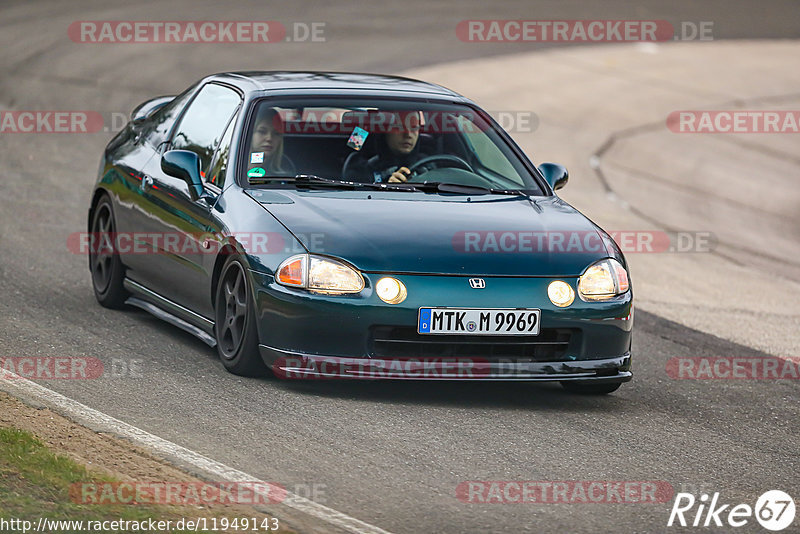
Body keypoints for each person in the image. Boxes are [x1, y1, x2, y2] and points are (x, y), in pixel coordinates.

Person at [348, 111, 428, 183]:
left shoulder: (431, 165)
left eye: (414, 128)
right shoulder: (363, 172)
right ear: (384, 132)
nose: (408, 134)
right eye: (399, 127)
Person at [248, 107, 295, 176]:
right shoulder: (234, 165)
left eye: (276, 133)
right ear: (250, 135)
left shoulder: (285, 165)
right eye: (262, 131)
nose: (269, 138)